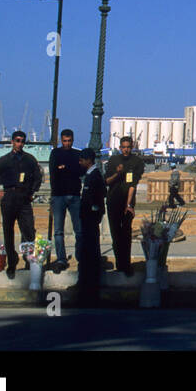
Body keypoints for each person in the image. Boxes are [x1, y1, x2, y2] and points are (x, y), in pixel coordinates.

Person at [0, 131, 42, 278]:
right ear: (12, 142)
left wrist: (32, 192)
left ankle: (29, 261)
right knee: (8, 232)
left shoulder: (29, 160)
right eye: (17, 140)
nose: (20, 143)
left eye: (22, 141)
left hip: (24, 198)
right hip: (9, 197)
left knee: (28, 231)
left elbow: (38, 177)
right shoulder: (4, 160)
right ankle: (12, 262)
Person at [104, 135, 146, 275]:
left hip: (127, 203)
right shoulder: (113, 160)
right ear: (120, 148)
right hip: (113, 201)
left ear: (132, 147)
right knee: (115, 235)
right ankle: (119, 265)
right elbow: (107, 181)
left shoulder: (137, 162)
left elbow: (133, 185)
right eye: (124, 147)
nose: (126, 150)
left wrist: (128, 205)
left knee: (126, 234)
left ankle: (126, 265)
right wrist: (117, 173)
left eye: (128, 147)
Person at [48, 128, 83, 272]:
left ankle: (80, 257)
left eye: (69, 141)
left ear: (73, 140)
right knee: (58, 231)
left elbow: (80, 171)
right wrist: (69, 169)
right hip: (58, 195)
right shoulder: (55, 153)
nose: (67, 143)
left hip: (74, 195)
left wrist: (65, 168)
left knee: (79, 230)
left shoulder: (77, 154)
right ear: (61, 140)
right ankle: (61, 258)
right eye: (64, 141)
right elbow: (53, 172)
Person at [75, 148, 106, 303]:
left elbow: (96, 199)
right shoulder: (90, 175)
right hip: (88, 218)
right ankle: (86, 282)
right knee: (87, 250)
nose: (80, 163)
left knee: (91, 251)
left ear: (88, 160)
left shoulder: (95, 176)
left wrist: (93, 214)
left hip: (90, 219)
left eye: (82, 160)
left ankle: (90, 284)